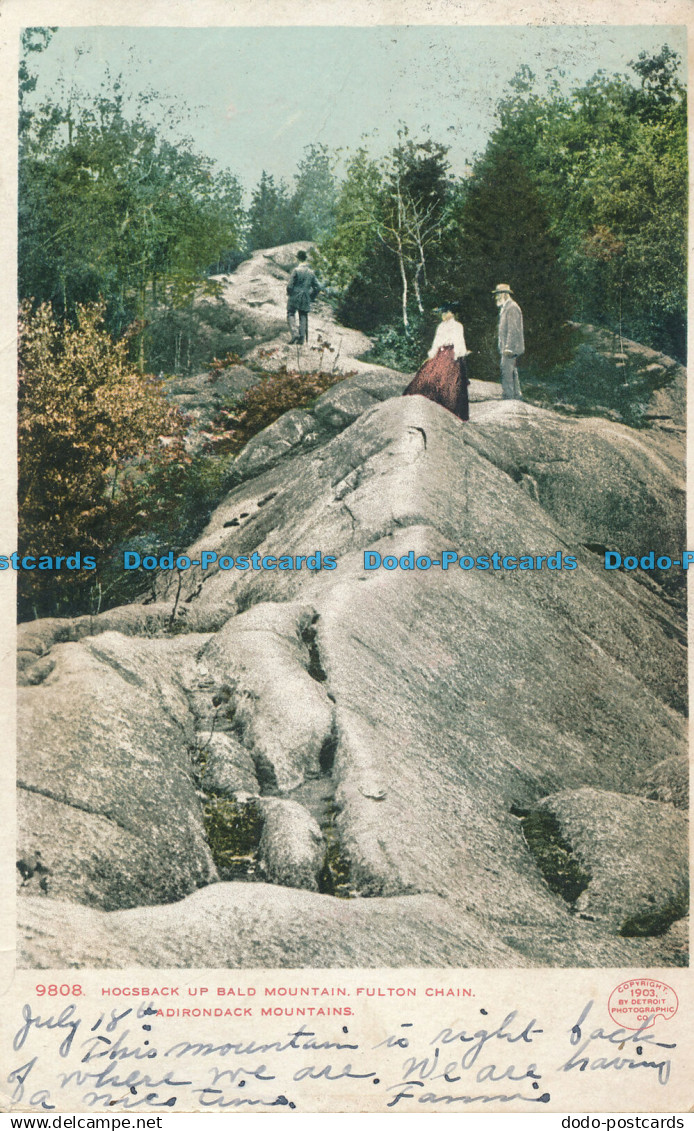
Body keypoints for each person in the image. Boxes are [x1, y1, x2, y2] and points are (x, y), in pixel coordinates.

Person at [403, 304, 470, 421]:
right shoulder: (440, 326)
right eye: (442, 313)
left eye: (445, 312)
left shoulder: (457, 326)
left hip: (451, 354)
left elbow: (459, 342)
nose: (443, 315)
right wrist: (432, 354)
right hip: (440, 353)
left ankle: (448, 409)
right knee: (428, 376)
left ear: (452, 313)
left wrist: (459, 355)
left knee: (448, 380)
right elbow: (436, 342)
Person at [493, 283, 524, 400]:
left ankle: (509, 396)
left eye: (498, 294)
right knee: (512, 370)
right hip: (507, 347)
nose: (496, 297)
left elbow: (513, 329)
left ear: (505, 294)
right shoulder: (506, 307)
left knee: (507, 370)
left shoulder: (512, 307)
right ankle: (516, 395)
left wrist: (508, 347)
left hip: (511, 348)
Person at [286, 250, 323, 345]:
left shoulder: (296, 270)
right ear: (306, 259)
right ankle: (301, 338)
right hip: (306, 296)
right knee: (303, 315)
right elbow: (318, 287)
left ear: (298, 258)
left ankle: (294, 334)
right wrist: (311, 297)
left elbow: (289, 286)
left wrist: (290, 293)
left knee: (290, 313)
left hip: (294, 295)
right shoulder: (311, 273)